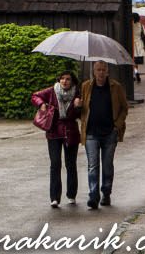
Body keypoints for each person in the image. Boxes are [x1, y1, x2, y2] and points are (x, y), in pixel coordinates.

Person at [78, 60, 128, 209]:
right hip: (91, 133)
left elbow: (124, 109)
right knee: (93, 166)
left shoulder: (116, 87)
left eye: (103, 70)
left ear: (107, 72)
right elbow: (80, 111)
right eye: (98, 70)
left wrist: (116, 126)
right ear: (94, 71)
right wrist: (78, 106)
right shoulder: (86, 86)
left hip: (109, 133)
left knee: (107, 165)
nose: (101, 73)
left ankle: (106, 193)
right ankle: (93, 195)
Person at [31, 71, 81, 207]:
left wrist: (79, 106)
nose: (64, 81)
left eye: (68, 79)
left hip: (71, 131)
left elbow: (82, 113)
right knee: (55, 164)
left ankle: (71, 195)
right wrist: (41, 104)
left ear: (73, 82)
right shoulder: (52, 91)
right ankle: (54, 198)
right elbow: (35, 96)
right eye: (62, 79)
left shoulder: (78, 93)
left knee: (71, 164)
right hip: (54, 130)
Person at [132, 13, 145, 83]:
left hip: (132, 45)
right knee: (136, 62)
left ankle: (135, 73)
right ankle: (136, 72)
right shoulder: (141, 26)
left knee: (132, 61)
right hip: (139, 46)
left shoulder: (131, 26)